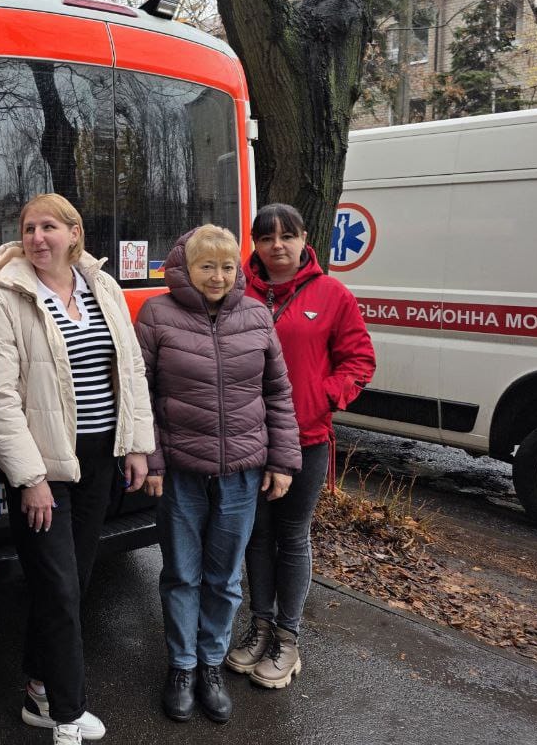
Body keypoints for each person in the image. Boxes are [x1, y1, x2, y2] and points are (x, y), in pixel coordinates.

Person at [0, 194, 155, 745]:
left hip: (100, 460)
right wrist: (30, 479)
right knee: (57, 587)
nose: (37, 238)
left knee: (72, 583)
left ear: (74, 233)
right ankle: (68, 711)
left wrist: (136, 445)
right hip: (45, 467)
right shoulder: (3, 299)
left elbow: (130, 370)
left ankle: (38, 688)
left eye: (49, 227)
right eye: (29, 228)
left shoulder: (103, 287)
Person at [135, 224, 300, 725]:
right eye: (207, 266)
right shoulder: (157, 314)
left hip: (242, 473)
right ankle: (182, 666)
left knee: (225, 579)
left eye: (227, 267)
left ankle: (211, 664)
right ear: (185, 268)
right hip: (181, 471)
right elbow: (140, 394)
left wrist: (282, 461)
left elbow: (277, 391)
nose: (218, 276)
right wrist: (152, 460)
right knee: (182, 574)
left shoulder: (256, 315)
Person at [225, 204, 375, 689]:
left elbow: (360, 360)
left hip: (305, 439)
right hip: (248, 439)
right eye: (267, 238)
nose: (278, 246)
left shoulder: (332, 294)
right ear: (255, 244)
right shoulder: (237, 291)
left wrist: (322, 397)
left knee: (291, 536)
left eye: (287, 236)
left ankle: (287, 640)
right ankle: (260, 626)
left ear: (304, 239)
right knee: (256, 536)